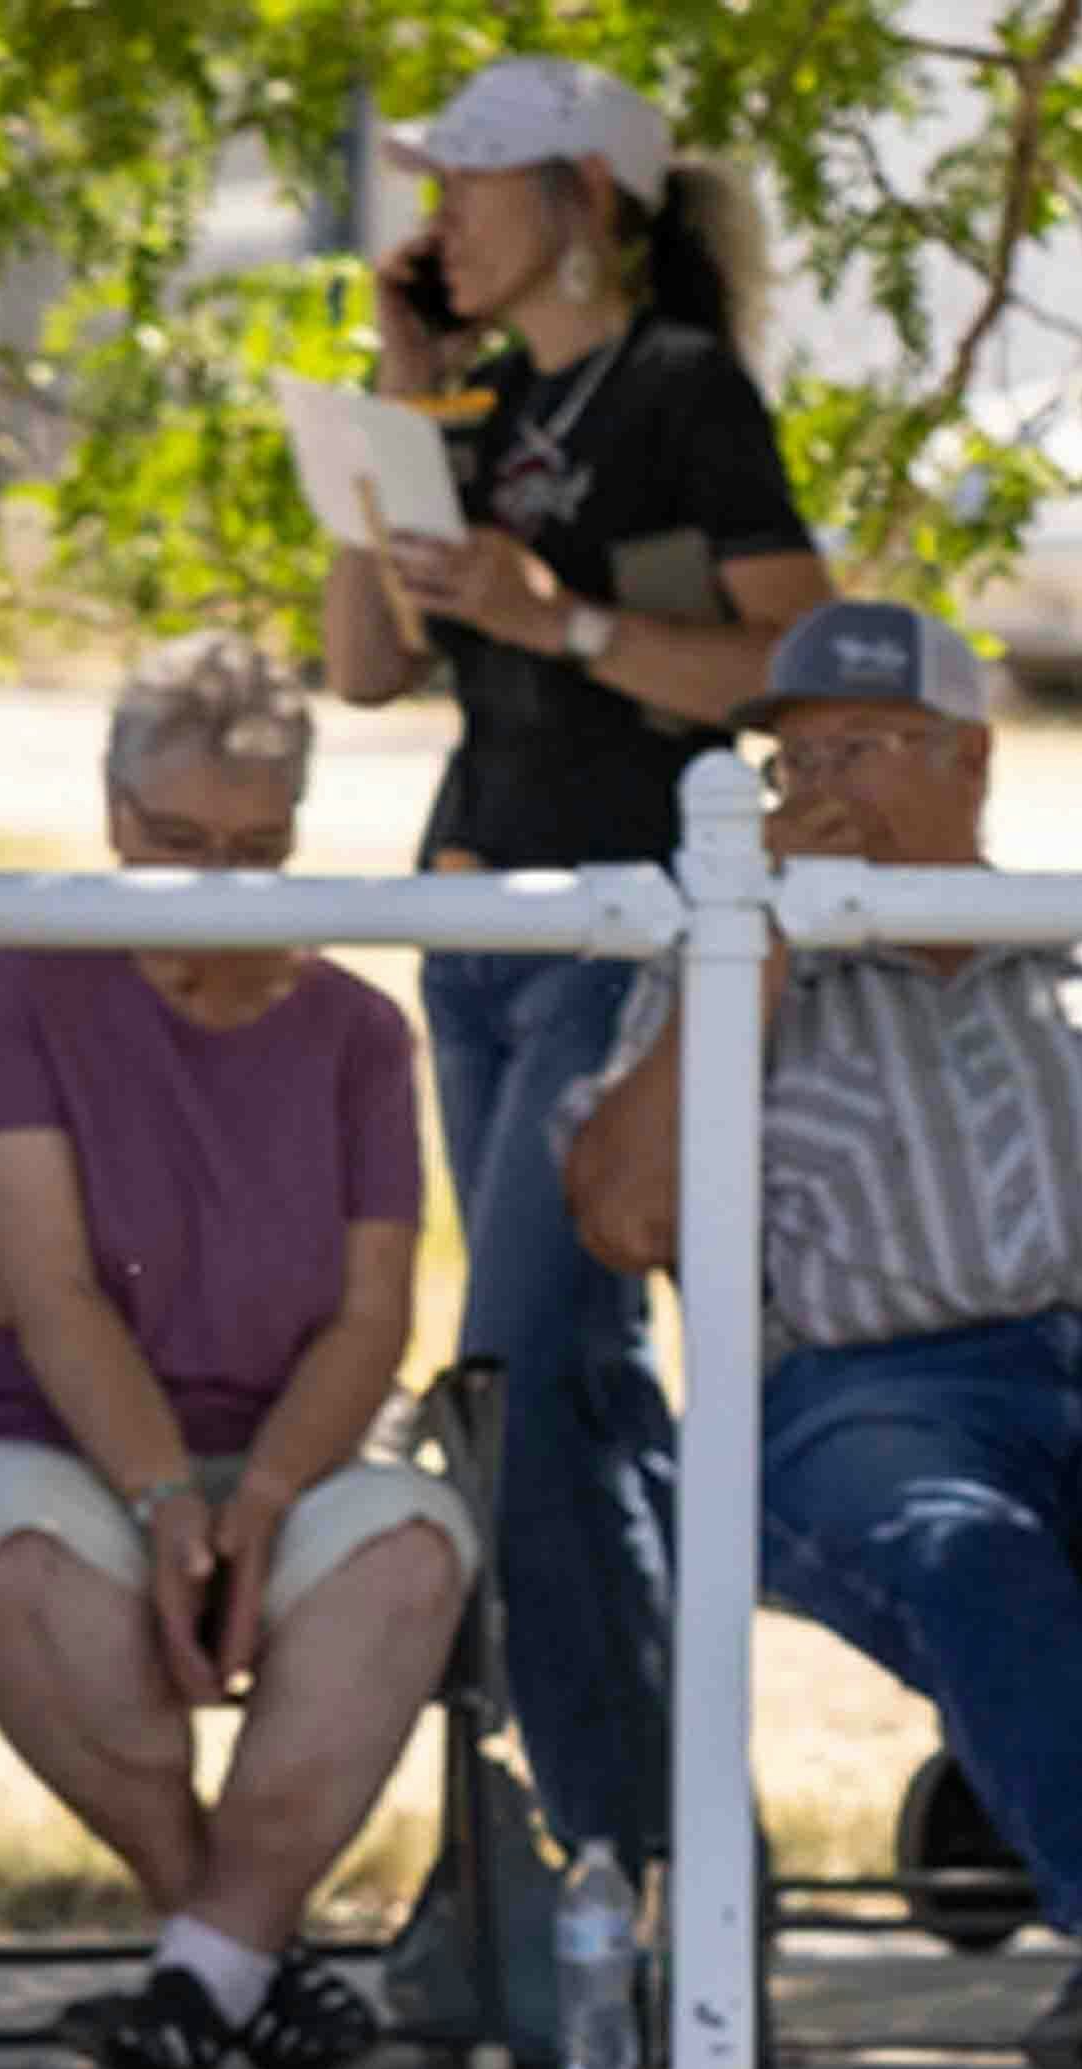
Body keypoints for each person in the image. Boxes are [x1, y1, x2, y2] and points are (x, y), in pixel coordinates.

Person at [555, 602, 1082, 2069]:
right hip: (882, 1390)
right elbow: (617, 1214)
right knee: (962, 1545)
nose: (814, 789)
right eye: (787, 761)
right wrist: (761, 955)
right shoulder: (731, 948)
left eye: (855, 748)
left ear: (970, 759)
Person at [321, 55, 836, 1891]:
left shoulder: (686, 393)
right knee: (567, 1390)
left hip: (624, 921)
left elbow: (790, 659)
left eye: (474, 184)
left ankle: (640, 1850)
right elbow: (367, 669)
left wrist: (571, 621)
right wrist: (393, 411)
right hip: (478, 923)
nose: (439, 219)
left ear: (584, 204)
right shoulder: (478, 399)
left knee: (532, 1371)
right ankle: (664, 1861)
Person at [0, 636, 477, 2069]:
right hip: (34, 1430)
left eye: (257, 849)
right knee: (27, 1573)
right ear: (110, 814)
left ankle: (193, 1983)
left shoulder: (354, 1027)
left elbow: (372, 1318)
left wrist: (261, 1503)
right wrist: (166, 1506)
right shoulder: (8, 979)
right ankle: (240, 1956)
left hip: (294, 1437)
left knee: (407, 1555)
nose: (217, 879)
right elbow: (48, 1291)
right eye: (178, 842)